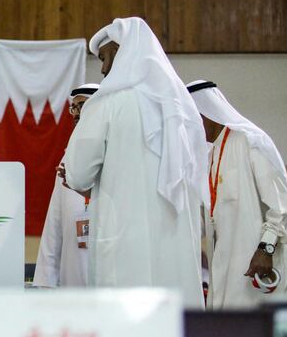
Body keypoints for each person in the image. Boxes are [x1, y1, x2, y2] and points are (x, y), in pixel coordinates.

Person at [60, 17, 207, 308]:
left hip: (124, 243)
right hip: (175, 246)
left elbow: (77, 175)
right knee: (173, 331)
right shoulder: (182, 109)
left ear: (119, 51)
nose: (102, 69)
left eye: (103, 58)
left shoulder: (105, 103)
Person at [187, 79, 287, 308]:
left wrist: (265, 249)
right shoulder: (209, 155)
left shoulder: (251, 141)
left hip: (258, 261)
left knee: (260, 332)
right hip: (225, 264)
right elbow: (203, 215)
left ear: (207, 112)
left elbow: (279, 206)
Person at [32, 83, 99, 287]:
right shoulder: (66, 158)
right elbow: (55, 221)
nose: (76, 113)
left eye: (82, 106)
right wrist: (45, 280)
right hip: (73, 267)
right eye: (74, 108)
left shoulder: (116, 150)